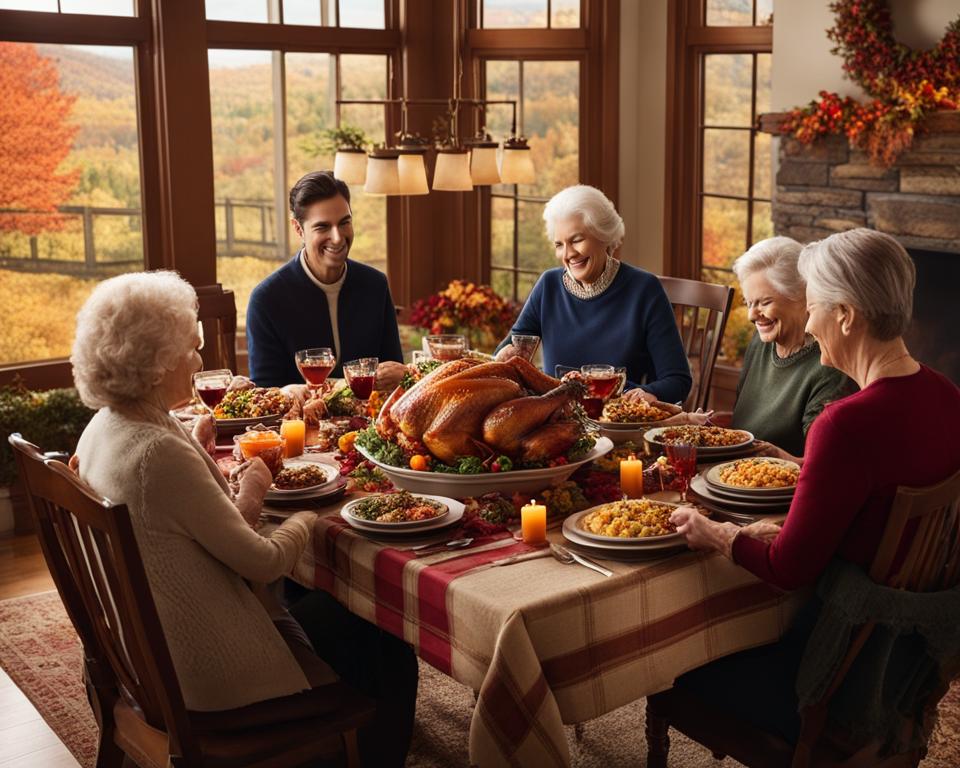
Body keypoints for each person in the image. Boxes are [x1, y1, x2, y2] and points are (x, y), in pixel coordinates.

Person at [71, 271, 417, 766]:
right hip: (209, 677)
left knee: (341, 615)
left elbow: (178, 515)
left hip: (149, 658)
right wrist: (311, 508)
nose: (199, 361)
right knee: (382, 628)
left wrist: (206, 460)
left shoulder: (105, 426)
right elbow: (264, 562)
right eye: (190, 348)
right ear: (154, 360)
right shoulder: (154, 455)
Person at [668, 228, 960, 743]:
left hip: (834, 672)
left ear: (845, 315)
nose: (811, 321)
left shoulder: (844, 425)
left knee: (672, 661)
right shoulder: (948, 396)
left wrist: (713, 534)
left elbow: (787, 569)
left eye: (816, 305)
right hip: (906, 662)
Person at [495, 184, 692, 405]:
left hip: (616, 423)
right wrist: (505, 356)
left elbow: (677, 380)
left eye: (577, 240)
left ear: (603, 235)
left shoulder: (644, 289)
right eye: (559, 244)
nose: (568, 254)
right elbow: (507, 351)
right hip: (555, 419)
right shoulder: (548, 285)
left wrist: (644, 395)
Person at [246, 171, 406, 390]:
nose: (338, 237)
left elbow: (394, 371)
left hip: (372, 421)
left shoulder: (375, 285)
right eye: (323, 227)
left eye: (344, 223)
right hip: (300, 423)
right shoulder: (266, 299)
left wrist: (403, 375)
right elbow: (266, 391)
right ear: (298, 229)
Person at [729, 236, 854, 459]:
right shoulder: (759, 344)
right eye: (749, 303)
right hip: (734, 476)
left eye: (764, 302)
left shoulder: (828, 367)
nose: (751, 315)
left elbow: (823, 464)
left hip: (780, 490)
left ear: (802, 296)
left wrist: (779, 459)